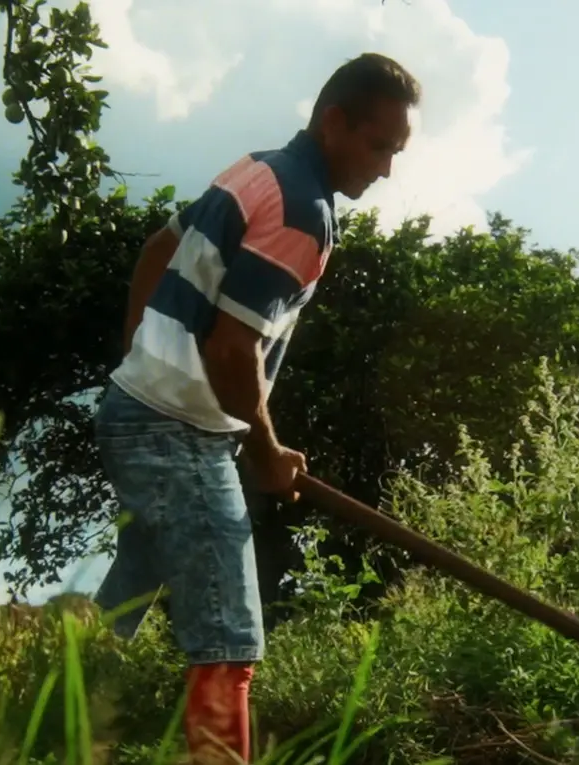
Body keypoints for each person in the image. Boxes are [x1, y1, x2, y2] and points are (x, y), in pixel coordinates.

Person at [91, 53, 420, 764]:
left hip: (135, 414)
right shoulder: (306, 212)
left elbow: (157, 251)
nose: (386, 169)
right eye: (379, 146)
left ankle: (33, 732)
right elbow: (233, 349)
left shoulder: (256, 168)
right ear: (335, 123)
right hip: (179, 432)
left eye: (396, 152)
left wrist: (139, 363)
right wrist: (266, 452)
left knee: (116, 613)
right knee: (229, 641)